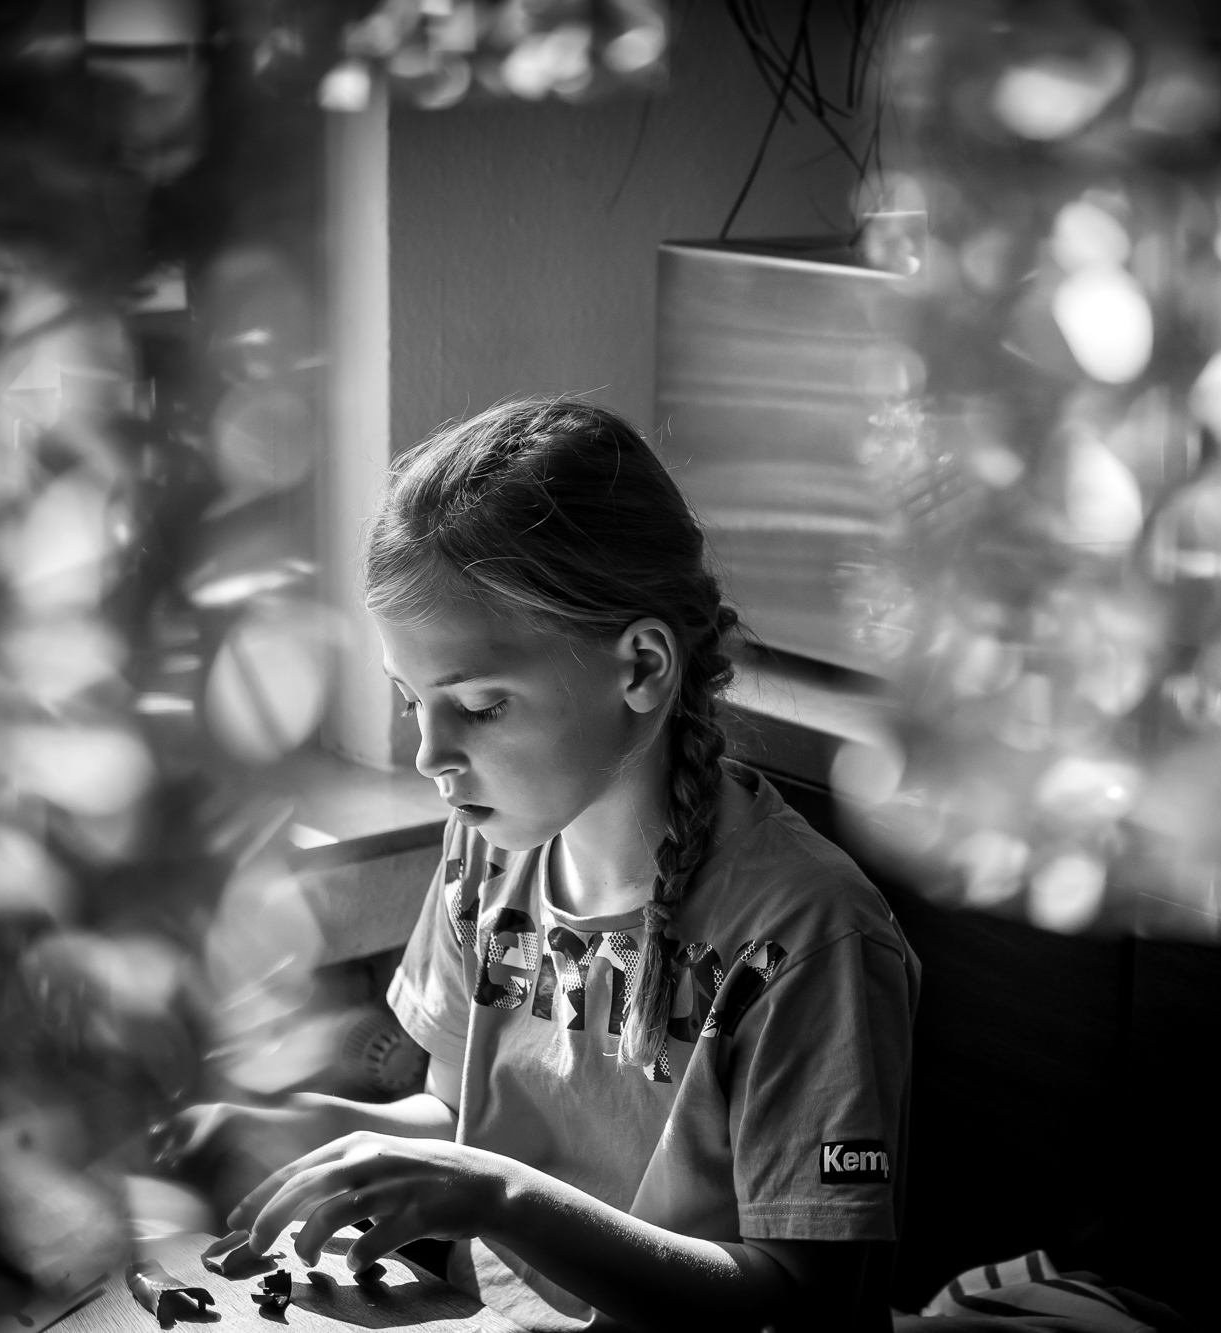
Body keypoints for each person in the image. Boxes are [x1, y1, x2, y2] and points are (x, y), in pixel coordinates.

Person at [154, 399, 920, 1333]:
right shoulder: (488, 848)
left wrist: (497, 1196)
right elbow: (457, 1124)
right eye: (410, 704)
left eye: (478, 707)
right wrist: (295, 1125)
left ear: (640, 667)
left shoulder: (807, 933)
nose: (430, 756)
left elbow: (807, 1301)